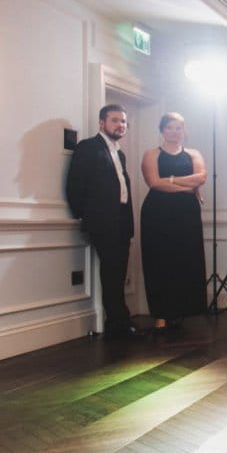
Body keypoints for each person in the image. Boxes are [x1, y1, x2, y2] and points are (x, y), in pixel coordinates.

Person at [66, 104, 140, 340]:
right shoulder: (88, 148)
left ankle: (119, 322)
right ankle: (119, 323)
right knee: (111, 272)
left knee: (118, 272)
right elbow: (75, 184)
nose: (121, 125)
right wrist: (83, 216)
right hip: (102, 222)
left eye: (124, 122)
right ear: (102, 123)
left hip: (121, 222)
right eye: (115, 120)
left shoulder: (120, 153)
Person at [139, 112, 208, 331]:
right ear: (162, 130)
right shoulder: (151, 154)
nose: (174, 132)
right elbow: (154, 183)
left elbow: (201, 178)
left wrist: (170, 179)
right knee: (160, 261)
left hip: (186, 213)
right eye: (170, 127)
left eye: (178, 128)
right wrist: (187, 186)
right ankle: (161, 314)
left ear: (184, 131)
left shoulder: (193, 154)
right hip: (158, 213)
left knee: (185, 259)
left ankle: (181, 311)